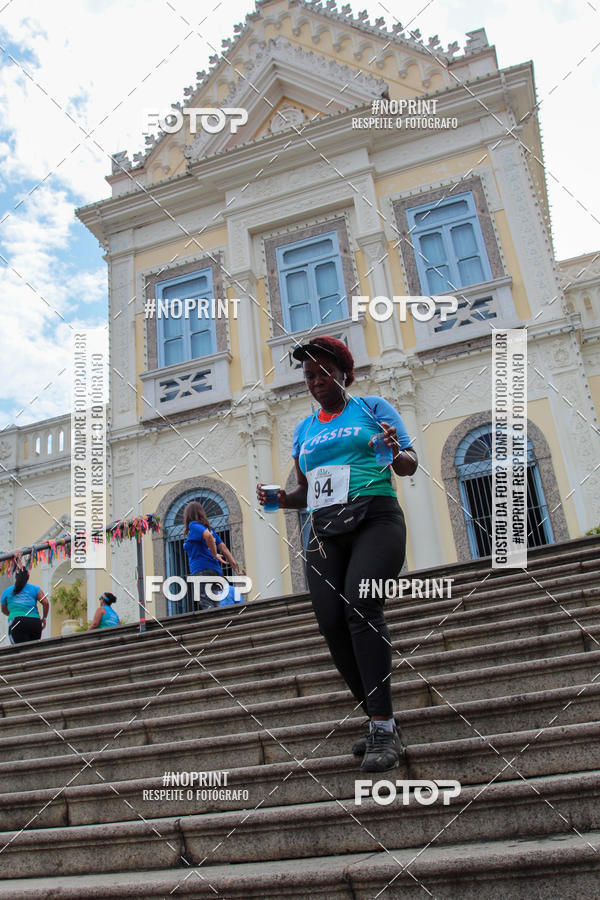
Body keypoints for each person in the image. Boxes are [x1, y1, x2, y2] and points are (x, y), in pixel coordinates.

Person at [257, 336, 418, 773]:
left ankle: (383, 727)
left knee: (361, 608)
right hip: (324, 529)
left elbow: (408, 464)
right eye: (308, 375)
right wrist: (277, 500)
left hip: (375, 518)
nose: (316, 381)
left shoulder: (373, 408)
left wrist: (395, 449)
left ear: (344, 373)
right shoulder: (303, 430)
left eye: (324, 372)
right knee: (331, 621)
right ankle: (377, 719)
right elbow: (305, 493)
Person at [182, 501, 241, 609]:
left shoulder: (193, 525)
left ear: (187, 515)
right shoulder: (210, 529)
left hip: (201, 570)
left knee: (206, 603)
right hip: (215, 571)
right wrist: (235, 565)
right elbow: (223, 547)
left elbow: (208, 537)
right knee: (216, 602)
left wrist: (214, 554)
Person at [1, 568, 49, 644]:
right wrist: (44, 618)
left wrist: (13, 613)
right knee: (33, 649)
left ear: (16, 577)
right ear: (28, 577)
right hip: (35, 622)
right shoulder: (35, 589)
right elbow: (45, 603)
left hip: (16, 621)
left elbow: (4, 609)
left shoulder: (7, 591)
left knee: (18, 650)